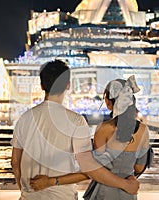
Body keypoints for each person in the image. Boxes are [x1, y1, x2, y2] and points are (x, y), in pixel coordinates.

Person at [10, 60, 139, 200]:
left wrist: (24, 189)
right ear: (68, 85)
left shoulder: (25, 118)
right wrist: (125, 184)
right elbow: (89, 167)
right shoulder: (76, 121)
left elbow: (15, 161)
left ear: (41, 85)